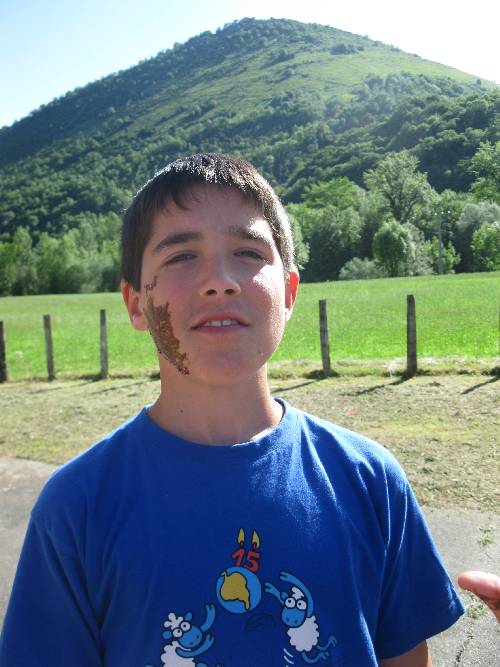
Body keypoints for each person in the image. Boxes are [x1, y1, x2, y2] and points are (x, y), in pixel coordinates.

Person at [0, 153, 464, 666]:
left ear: (289, 292)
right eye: (181, 256)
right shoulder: (77, 508)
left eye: (247, 252)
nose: (219, 280)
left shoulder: (370, 481)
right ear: (135, 303)